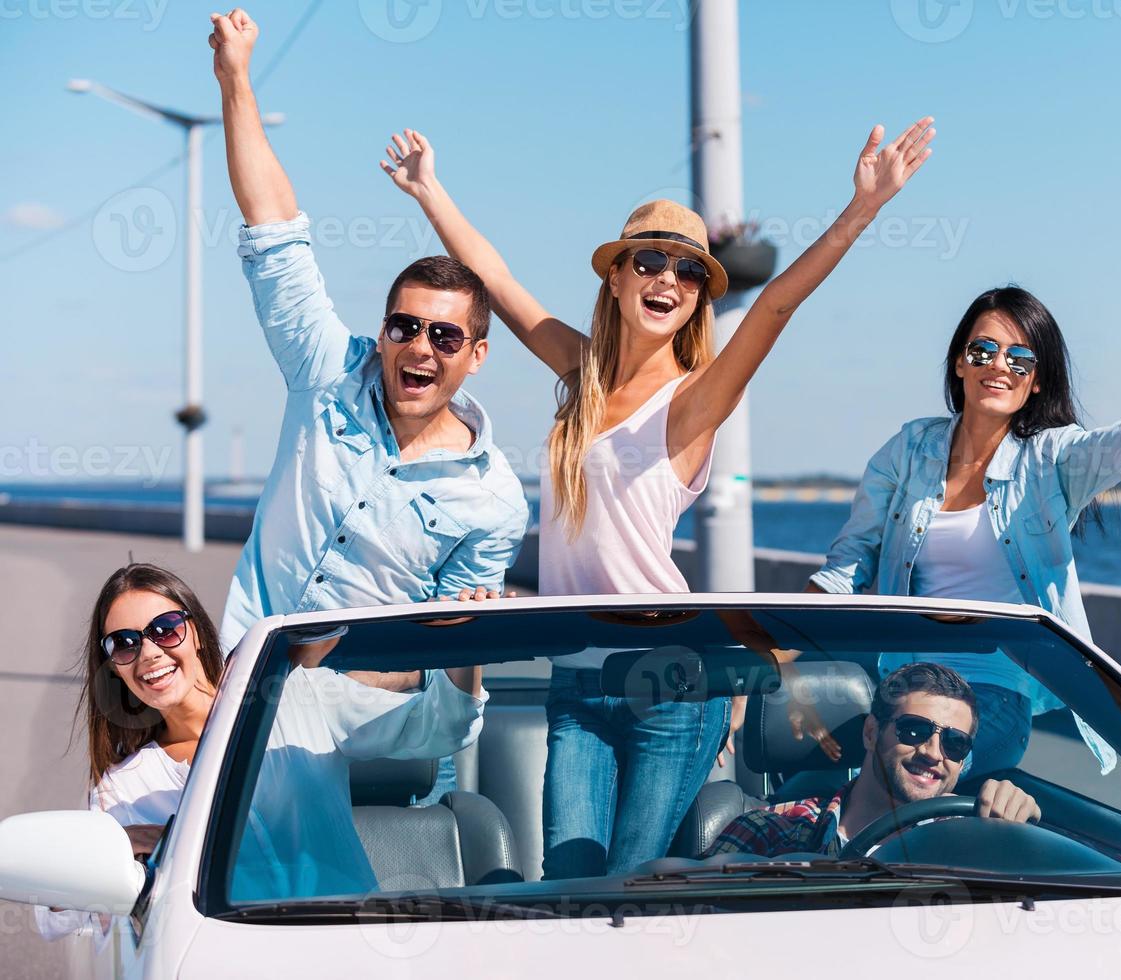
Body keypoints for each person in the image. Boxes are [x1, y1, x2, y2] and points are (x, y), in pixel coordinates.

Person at [382, 111, 935, 879]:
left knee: (630, 893)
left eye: (686, 273)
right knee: (571, 886)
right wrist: (428, 191)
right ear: (616, 276)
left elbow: (774, 305)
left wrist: (862, 208)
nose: (666, 281)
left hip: (675, 679)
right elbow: (498, 283)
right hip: (578, 677)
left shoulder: (690, 402)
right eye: (648, 261)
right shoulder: (579, 376)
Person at [808, 286, 1121, 775]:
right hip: (906, 685)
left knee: (926, 774)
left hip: (994, 691)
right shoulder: (909, 450)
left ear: (1035, 381)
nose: (1000, 366)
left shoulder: (1050, 461)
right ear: (959, 361)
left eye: (1021, 359)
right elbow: (845, 570)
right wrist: (772, 665)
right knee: (824, 791)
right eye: (985, 349)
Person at [208, 8, 529, 657]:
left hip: (370, 719)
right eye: (404, 327)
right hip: (249, 689)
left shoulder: (492, 498)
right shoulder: (326, 370)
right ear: (381, 334)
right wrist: (234, 78)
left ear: (477, 355)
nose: (419, 346)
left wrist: (475, 618)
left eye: (444, 336)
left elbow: (448, 656)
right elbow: (274, 229)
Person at [37, 563, 485, 940]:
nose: (149, 653)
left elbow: (441, 728)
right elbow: (61, 917)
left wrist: (471, 643)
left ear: (194, 632)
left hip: (355, 945)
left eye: (165, 630)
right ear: (113, 666)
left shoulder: (294, 697)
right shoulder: (124, 788)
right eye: (125, 643)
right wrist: (127, 845)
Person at [705, 662, 1039, 858]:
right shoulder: (771, 831)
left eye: (955, 742)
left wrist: (1018, 834)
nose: (934, 753)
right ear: (870, 733)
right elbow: (697, 931)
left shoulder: (975, 838)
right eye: (914, 730)